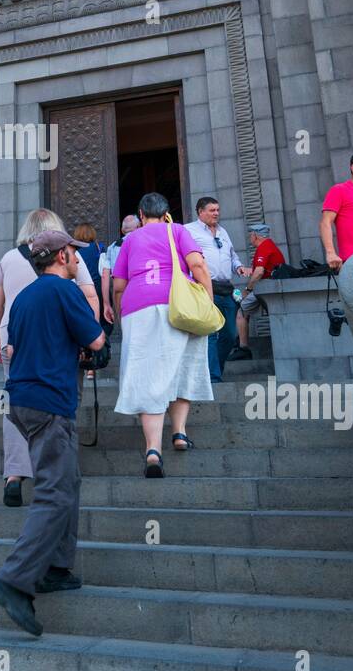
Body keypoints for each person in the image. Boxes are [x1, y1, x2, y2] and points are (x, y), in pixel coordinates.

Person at [0, 229, 106, 637]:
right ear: (61, 256)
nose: (77, 257)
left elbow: (19, 343)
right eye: (73, 251)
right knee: (55, 492)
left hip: (20, 399)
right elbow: (96, 338)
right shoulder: (64, 290)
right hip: (51, 402)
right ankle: (13, 579)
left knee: (66, 481)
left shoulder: (23, 299)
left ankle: (57, 567)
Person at [0, 209, 100, 506]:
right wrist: (89, 337)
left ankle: (14, 474)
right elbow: (89, 294)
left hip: (16, 338)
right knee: (64, 397)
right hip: (60, 338)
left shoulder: (9, 258)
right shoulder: (67, 257)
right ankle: (58, 464)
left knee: (16, 401)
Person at [113, 193, 214, 477]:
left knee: (147, 374)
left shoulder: (131, 239)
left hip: (139, 307)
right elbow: (197, 265)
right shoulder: (179, 230)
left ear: (141, 215)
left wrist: (121, 313)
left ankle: (152, 450)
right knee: (185, 366)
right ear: (167, 213)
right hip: (178, 305)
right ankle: (179, 433)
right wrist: (208, 299)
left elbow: (119, 284)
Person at [184, 196, 248, 381]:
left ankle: (215, 370)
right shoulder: (189, 230)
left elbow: (232, 255)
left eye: (217, 210)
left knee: (230, 334)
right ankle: (213, 377)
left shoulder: (223, 231)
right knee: (210, 334)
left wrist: (238, 267)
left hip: (226, 289)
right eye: (212, 210)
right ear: (200, 212)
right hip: (203, 288)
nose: (216, 214)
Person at [227, 223, 286, 362]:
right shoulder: (270, 245)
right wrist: (249, 270)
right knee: (244, 311)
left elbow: (259, 272)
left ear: (255, 235)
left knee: (240, 310)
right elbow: (262, 269)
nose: (250, 238)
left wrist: (247, 290)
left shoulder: (264, 247)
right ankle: (240, 342)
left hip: (265, 287)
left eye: (251, 235)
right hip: (269, 286)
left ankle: (243, 348)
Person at [100, 214, 140, 326]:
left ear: (122, 230)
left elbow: (105, 276)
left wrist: (106, 303)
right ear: (138, 226)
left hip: (121, 294)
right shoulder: (144, 241)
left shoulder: (112, 248)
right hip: (142, 290)